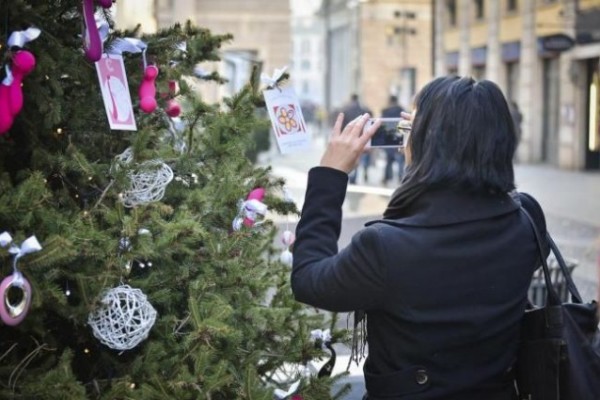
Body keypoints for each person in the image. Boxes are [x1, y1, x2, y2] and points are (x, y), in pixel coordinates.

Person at [291, 76, 549, 399]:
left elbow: (307, 278)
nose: (403, 142)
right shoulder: (527, 220)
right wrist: (458, 143)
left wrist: (330, 174)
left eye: (411, 132)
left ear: (430, 143)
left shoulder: (384, 249)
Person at [341, 94, 372, 184]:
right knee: (363, 155)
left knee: (353, 157)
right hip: (362, 137)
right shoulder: (364, 110)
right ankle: (365, 168)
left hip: (350, 137)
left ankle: (353, 177)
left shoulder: (346, 110)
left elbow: (343, 125)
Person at [380, 95, 405, 185]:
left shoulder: (385, 111)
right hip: (398, 137)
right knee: (400, 160)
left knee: (388, 160)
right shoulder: (401, 110)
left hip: (388, 137)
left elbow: (381, 125)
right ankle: (401, 177)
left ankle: (386, 178)